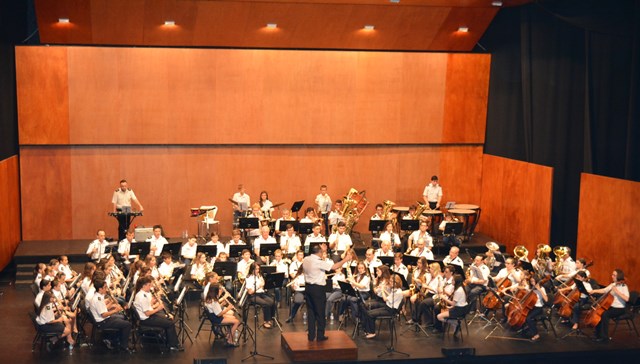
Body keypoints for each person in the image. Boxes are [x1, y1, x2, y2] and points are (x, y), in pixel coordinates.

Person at [302, 244, 352, 341]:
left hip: (308, 287)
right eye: (322, 252)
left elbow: (321, 260)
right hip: (317, 289)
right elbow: (334, 267)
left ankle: (311, 335)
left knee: (311, 312)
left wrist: (323, 251)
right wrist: (345, 259)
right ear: (319, 252)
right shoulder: (318, 262)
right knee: (320, 312)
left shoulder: (306, 259)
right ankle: (320, 335)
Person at [133, 276, 183, 351]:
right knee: (170, 323)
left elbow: (146, 307)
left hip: (148, 317)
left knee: (167, 319)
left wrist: (152, 302)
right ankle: (173, 345)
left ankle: (168, 340)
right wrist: (158, 308)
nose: (151, 287)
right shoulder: (142, 297)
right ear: (144, 286)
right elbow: (147, 313)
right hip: (146, 320)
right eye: (149, 285)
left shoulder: (142, 294)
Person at [89, 280, 133, 353]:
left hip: (104, 319)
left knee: (122, 318)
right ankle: (124, 346)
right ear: (100, 289)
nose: (106, 289)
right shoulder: (98, 299)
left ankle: (116, 339)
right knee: (127, 325)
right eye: (105, 287)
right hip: (103, 322)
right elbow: (103, 314)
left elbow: (103, 309)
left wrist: (112, 303)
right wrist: (115, 310)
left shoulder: (98, 296)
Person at [590, 269, 629, 342]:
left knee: (605, 314)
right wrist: (594, 291)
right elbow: (604, 290)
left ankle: (604, 338)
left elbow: (627, 299)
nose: (612, 276)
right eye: (612, 275)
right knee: (599, 312)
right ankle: (597, 334)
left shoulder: (623, 286)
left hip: (620, 308)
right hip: (612, 306)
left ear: (619, 276)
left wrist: (617, 291)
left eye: (614, 275)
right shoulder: (613, 284)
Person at [363, 273, 406, 339]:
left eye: (392, 281)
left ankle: (372, 332)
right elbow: (390, 296)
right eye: (390, 281)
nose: (390, 283)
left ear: (396, 282)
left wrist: (382, 290)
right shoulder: (395, 290)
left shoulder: (398, 292)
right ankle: (368, 330)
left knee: (370, 314)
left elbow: (385, 299)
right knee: (369, 312)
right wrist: (385, 290)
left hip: (391, 310)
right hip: (387, 307)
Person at [245, 262, 276, 329]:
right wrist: (259, 286)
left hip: (261, 293)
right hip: (253, 296)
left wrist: (263, 284)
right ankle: (266, 321)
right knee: (266, 304)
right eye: (256, 269)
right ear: (252, 269)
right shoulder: (249, 278)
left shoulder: (259, 275)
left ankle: (271, 318)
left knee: (272, 302)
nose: (257, 271)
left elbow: (263, 284)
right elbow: (250, 292)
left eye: (258, 269)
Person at [436, 273, 468, 339]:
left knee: (439, 316)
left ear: (456, 282)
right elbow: (457, 303)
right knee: (443, 311)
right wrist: (449, 307)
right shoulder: (460, 288)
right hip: (460, 308)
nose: (452, 281)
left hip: (459, 310)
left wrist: (444, 298)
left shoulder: (458, 291)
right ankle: (455, 325)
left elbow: (453, 303)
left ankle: (456, 323)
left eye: (453, 280)